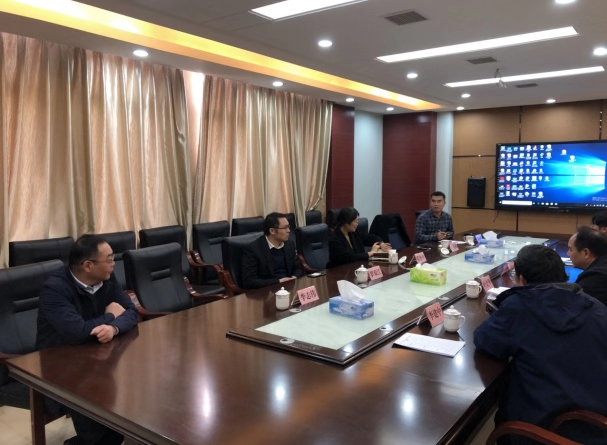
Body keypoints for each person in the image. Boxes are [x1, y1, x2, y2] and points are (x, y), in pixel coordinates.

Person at [474, 244, 607, 445]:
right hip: (596, 423)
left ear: (522, 280)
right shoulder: (596, 306)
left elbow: (486, 340)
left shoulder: (522, 306)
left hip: (547, 429)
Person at [37, 234, 138, 445]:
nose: (113, 264)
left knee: (132, 391)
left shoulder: (107, 279)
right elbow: (77, 333)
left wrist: (113, 328)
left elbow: (130, 311)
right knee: (101, 426)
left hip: (96, 355)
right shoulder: (54, 289)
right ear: (88, 265)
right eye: (109, 259)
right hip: (59, 364)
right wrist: (110, 316)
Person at [241, 212, 302, 289]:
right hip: (267, 291)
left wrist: (294, 277)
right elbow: (249, 281)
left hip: (289, 287)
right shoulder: (253, 249)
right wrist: (278, 282)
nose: (289, 230)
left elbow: (297, 267)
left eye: (289, 227)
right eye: (285, 228)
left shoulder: (289, 244)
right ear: (272, 231)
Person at [567, 226, 607, 305]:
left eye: (570, 249)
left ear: (586, 253)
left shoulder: (595, 278)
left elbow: (574, 306)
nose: (568, 254)